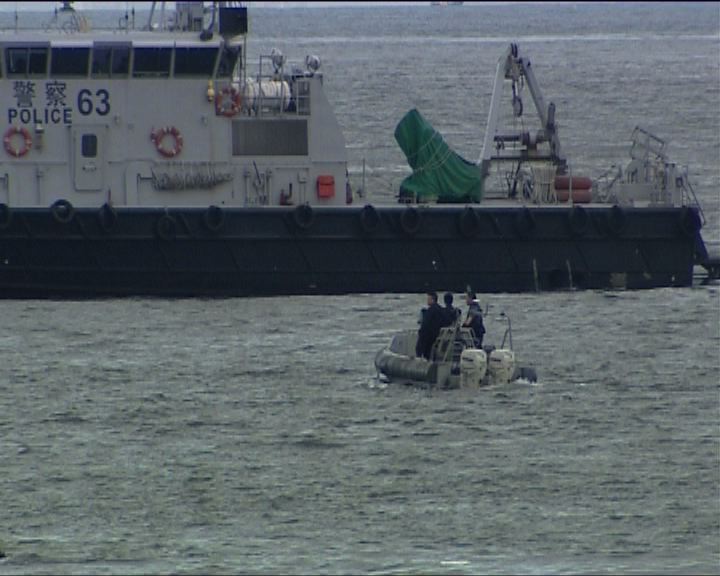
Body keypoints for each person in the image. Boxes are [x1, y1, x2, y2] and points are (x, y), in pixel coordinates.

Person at [415, 291, 444, 360]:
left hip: (430, 336)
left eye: (428, 299)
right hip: (438, 334)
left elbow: (425, 325)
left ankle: (420, 357)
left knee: (421, 343)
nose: (427, 301)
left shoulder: (430, 311)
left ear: (432, 299)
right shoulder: (441, 309)